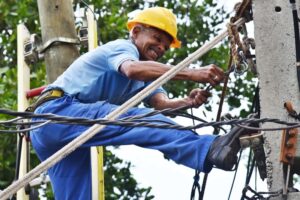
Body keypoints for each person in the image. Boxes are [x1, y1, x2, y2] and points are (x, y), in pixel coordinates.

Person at [30, 7, 246, 200]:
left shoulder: (149, 75)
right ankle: (207, 148)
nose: (161, 48)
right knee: (139, 119)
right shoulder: (123, 48)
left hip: (63, 131)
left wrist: (187, 102)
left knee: (78, 195)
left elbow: (161, 105)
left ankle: (206, 149)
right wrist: (191, 73)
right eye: (157, 38)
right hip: (56, 112)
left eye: (166, 46)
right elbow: (131, 69)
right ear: (135, 32)